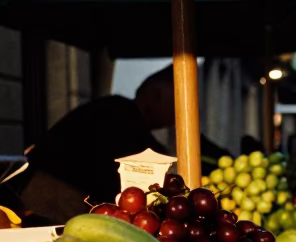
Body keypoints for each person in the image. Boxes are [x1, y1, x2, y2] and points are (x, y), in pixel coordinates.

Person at [12, 65, 208, 222]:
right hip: (51, 206)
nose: (175, 118)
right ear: (155, 96)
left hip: (52, 202)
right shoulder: (119, 115)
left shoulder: (117, 112)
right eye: (175, 106)